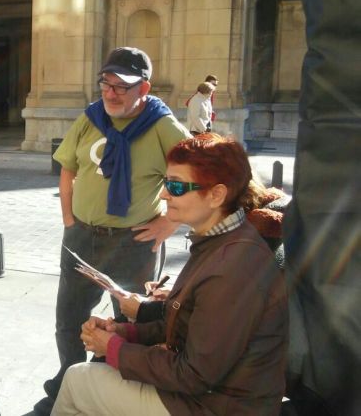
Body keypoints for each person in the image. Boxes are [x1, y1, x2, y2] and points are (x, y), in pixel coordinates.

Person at [52, 134, 288, 416]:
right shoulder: (217, 241)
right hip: (210, 395)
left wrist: (115, 348)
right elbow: (185, 323)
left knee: (79, 380)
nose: (164, 194)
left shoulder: (232, 266)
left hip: (219, 406)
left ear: (216, 195)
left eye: (176, 186)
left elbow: (195, 375)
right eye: (165, 183)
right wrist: (125, 332)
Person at [34, 46, 190, 415]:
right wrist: (69, 219)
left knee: (129, 322)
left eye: (122, 85)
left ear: (144, 89)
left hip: (133, 243)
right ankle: (69, 382)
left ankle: (115, 387)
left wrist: (169, 222)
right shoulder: (90, 118)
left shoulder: (162, 126)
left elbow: (194, 176)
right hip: (82, 238)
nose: (111, 92)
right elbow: (69, 168)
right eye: (106, 82)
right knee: (69, 319)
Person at [117, 174, 291, 323]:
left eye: (177, 187)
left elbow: (208, 334)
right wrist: (176, 297)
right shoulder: (241, 236)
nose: (163, 195)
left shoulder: (245, 253)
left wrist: (146, 311)